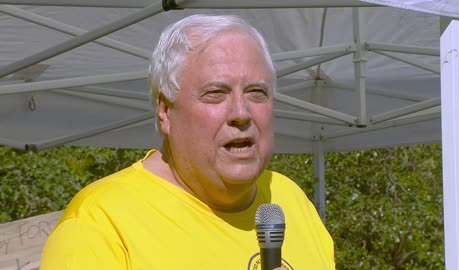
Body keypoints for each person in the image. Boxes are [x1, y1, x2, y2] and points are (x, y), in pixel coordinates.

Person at [40, 14, 335, 269]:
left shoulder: (289, 200)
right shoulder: (100, 223)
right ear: (165, 111)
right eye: (216, 93)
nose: (241, 113)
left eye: (257, 92)